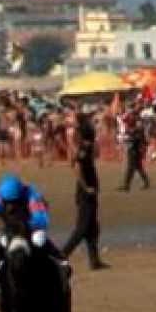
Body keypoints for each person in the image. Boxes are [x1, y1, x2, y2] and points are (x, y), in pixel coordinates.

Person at [0, 172, 65, 297]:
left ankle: (61, 261)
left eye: (13, 202)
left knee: (39, 239)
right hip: (10, 229)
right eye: (7, 203)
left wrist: (22, 226)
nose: (10, 206)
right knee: (3, 243)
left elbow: (41, 220)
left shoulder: (32, 195)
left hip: (30, 226)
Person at [61, 112, 106, 269]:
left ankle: (94, 260)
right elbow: (77, 168)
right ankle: (62, 255)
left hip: (90, 189)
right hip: (86, 191)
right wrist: (86, 187)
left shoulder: (84, 148)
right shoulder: (83, 150)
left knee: (93, 227)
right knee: (82, 228)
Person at [121, 112, 149, 191]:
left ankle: (126, 186)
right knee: (139, 168)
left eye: (128, 120)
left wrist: (129, 138)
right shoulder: (130, 128)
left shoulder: (138, 128)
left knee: (131, 168)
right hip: (132, 149)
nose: (127, 122)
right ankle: (147, 183)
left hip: (135, 150)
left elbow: (138, 139)